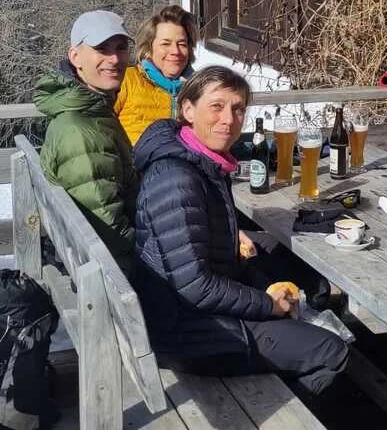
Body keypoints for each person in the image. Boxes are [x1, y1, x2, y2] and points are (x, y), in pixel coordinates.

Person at [132, 66, 349, 395]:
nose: (229, 120)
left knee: (275, 263)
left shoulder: (201, 161)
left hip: (186, 314)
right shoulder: (177, 179)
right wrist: (266, 304)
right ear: (188, 110)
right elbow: (194, 286)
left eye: (237, 109)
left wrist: (262, 291)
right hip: (188, 334)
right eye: (216, 106)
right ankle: (284, 406)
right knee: (333, 351)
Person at [33, 9, 138, 263]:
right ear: (75, 56)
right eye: (102, 49)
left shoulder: (94, 110)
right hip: (116, 279)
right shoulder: (79, 131)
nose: (114, 59)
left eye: (121, 47)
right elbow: (109, 233)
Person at [115, 4, 198, 144]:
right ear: (149, 48)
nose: (175, 51)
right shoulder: (126, 81)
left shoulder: (199, 89)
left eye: (182, 44)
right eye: (166, 44)